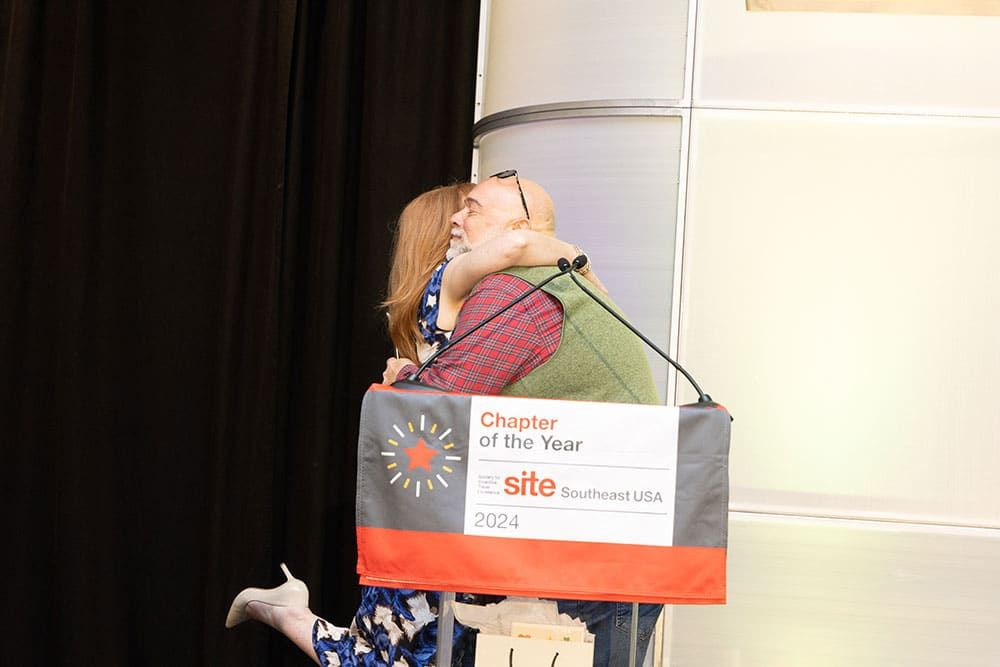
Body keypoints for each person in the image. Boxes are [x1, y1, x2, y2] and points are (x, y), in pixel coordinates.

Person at [225, 181, 609, 667]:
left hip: (433, 504)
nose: (460, 221)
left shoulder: (471, 295)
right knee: (392, 655)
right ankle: (286, 612)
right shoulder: (460, 281)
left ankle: (287, 611)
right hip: (434, 511)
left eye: (471, 211)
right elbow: (514, 245)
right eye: (463, 211)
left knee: (390, 653)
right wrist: (575, 257)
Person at [383, 171, 664, 666]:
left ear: (517, 228)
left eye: (472, 209)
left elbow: (439, 406)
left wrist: (400, 375)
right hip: (608, 549)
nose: (456, 218)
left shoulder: (513, 290)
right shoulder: (560, 284)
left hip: (587, 560)